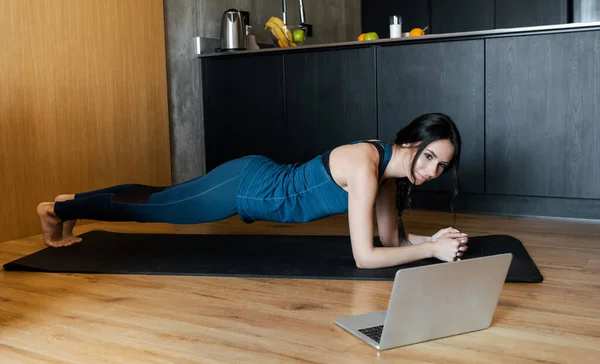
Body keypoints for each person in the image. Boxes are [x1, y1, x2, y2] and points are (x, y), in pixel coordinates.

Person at [36, 112, 468, 269]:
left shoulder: (387, 176)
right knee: (156, 207)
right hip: (244, 187)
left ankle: (71, 204)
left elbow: (391, 241)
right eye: (429, 156)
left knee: (158, 195)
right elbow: (365, 257)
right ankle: (58, 209)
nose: (432, 171)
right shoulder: (365, 165)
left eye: (441, 165)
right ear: (411, 143)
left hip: (256, 180)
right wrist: (429, 252)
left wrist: (433, 241)